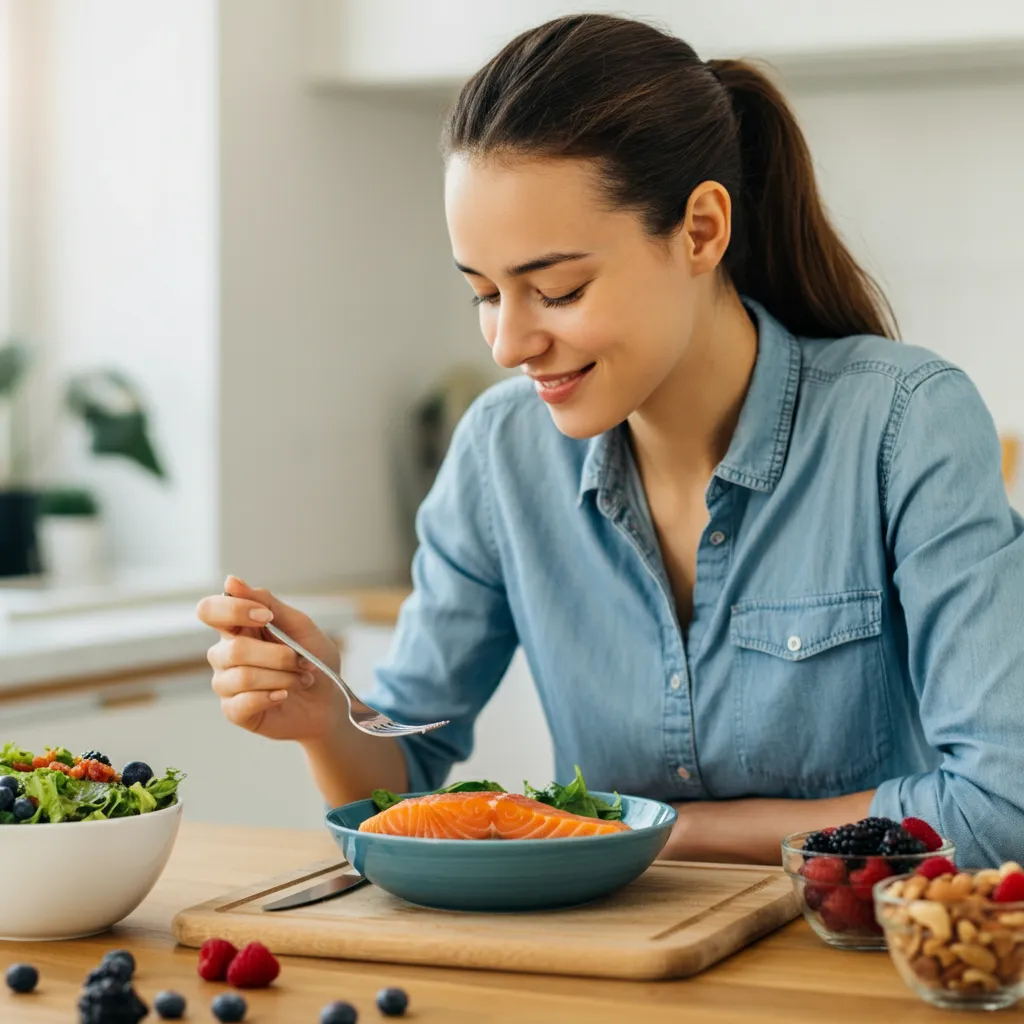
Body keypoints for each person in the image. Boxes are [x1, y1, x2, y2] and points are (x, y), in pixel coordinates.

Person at [196, 13, 1024, 866]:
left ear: (701, 231)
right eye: (484, 293)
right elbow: (400, 790)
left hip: (855, 972)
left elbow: (1000, 810)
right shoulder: (500, 454)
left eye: (556, 289)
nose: (509, 345)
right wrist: (327, 723)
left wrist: (645, 835)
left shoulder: (904, 425)